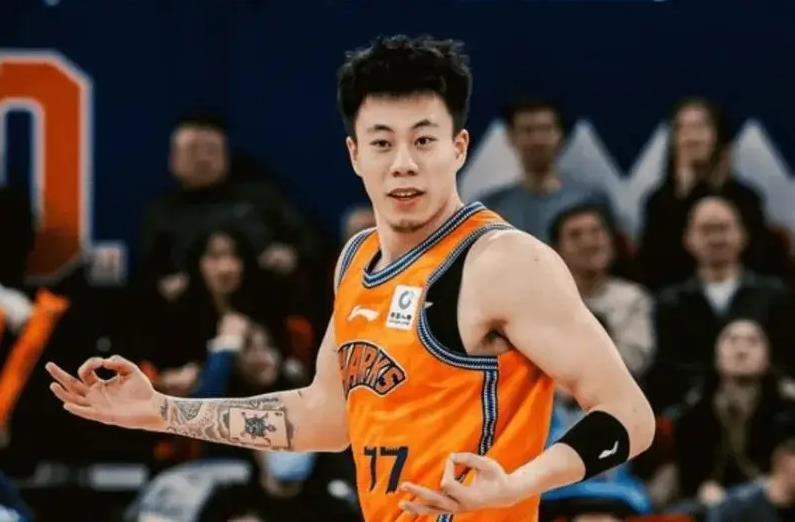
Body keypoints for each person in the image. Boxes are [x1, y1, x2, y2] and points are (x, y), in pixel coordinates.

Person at [46, 35, 654, 521]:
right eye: (382, 143)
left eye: (424, 140)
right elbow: (322, 418)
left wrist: (516, 484)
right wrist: (162, 411)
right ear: (354, 155)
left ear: (459, 147)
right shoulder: (358, 259)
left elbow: (629, 415)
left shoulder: (502, 261)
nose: (404, 164)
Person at [480, 98, 612, 244]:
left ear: (560, 135)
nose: (537, 140)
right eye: (527, 130)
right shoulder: (492, 208)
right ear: (510, 137)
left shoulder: (591, 200)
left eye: (545, 129)